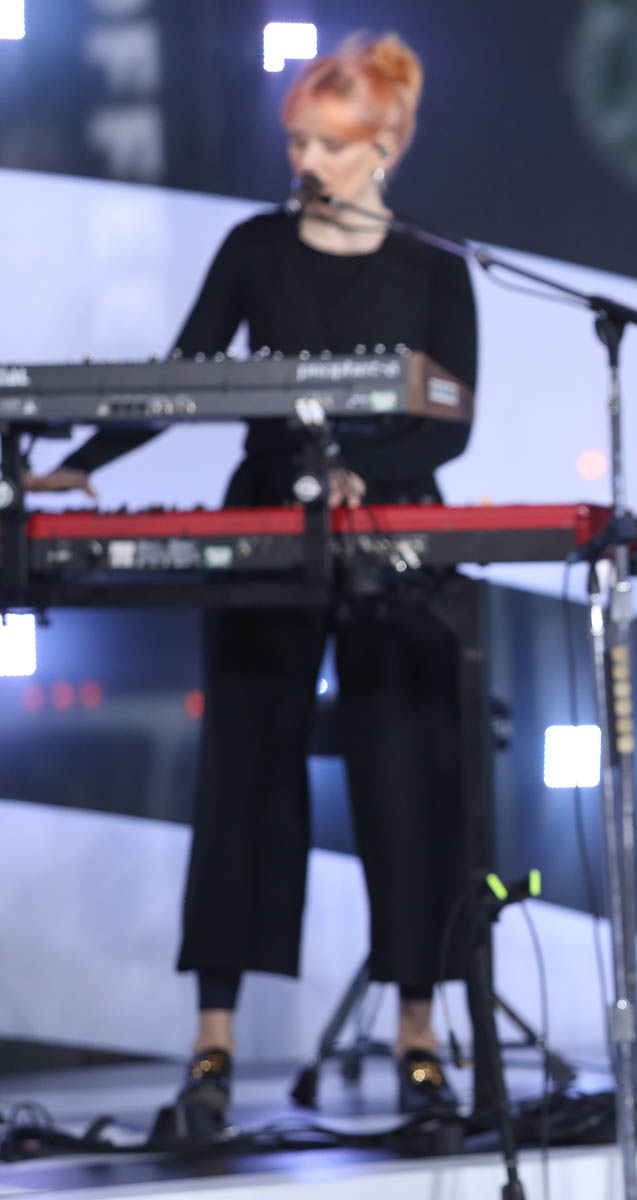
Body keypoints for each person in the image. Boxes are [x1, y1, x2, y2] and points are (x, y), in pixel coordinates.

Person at [27, 33, 477, 1122]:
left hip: (392, 527)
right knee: (242, 764)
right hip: (268, 523)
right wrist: (87, 458)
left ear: (384, 145)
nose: (306, 160)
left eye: (328, 143)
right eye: (298, 141)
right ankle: (213, 1043)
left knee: (403, 766)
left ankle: (420, 1030)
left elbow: (451, 425)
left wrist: (363, 466)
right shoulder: (254, 248)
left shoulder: (436, 269)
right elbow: (185, 377)